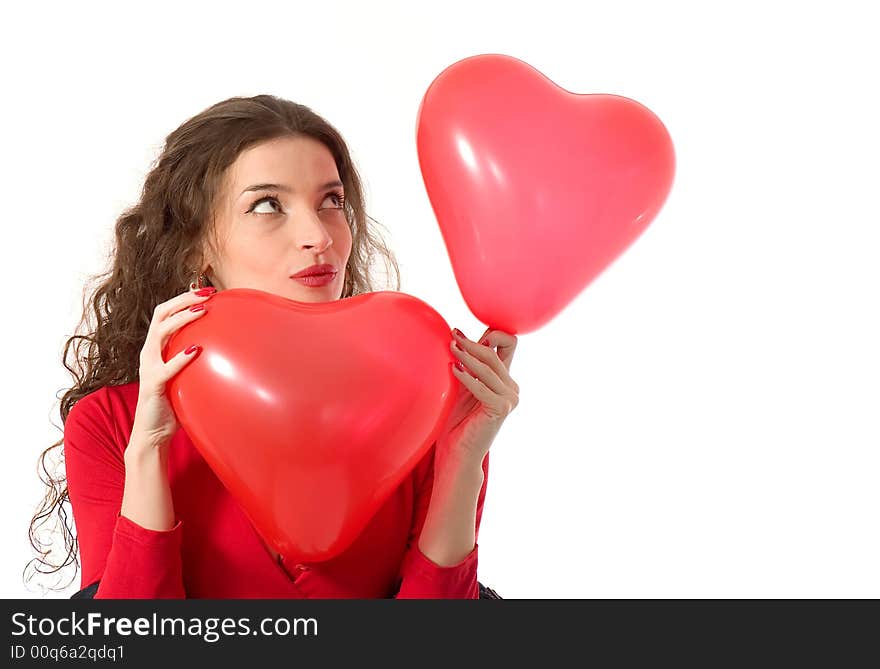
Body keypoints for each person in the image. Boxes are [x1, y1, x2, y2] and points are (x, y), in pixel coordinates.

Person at [27, 94, 519, 599]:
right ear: (197, 247)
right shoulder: (110, 422)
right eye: (267, 205)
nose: (318, 237)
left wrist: (462, 460)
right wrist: (149, 449)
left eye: (331, 201)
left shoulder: (422, 402)